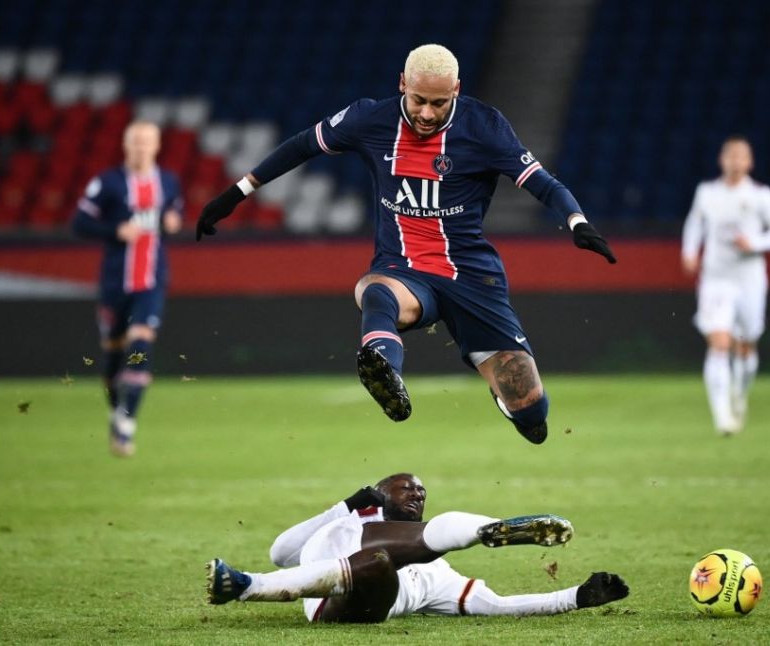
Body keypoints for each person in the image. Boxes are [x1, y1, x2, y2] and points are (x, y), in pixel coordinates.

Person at [195, 44, 616, 445]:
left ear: (456, 90)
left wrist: (577, 222)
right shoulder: (369, 119)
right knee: (374, 291)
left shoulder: (485, 127)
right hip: (405, 269)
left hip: (471, 276)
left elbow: (542, 182)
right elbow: (303, 145)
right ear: (402, 84)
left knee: (532, 415)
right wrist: (235, 194)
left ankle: (509, 399)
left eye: (439, 103)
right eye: (418, 100)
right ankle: (386, 376)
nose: (427, 113)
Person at [206, 473, 629, 622]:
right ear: (380, 491)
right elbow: (282, 551)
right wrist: (343, 506)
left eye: (423, 490)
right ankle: (483, 531)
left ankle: (488, 530)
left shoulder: (438, 573)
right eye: (405, 486)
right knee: (385, 554)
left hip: (355, 605)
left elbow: (497, 605)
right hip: (322, 586)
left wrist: (575, 596)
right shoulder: (350, 521)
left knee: (379, 562)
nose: (416, 493)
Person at [72, 120, 184, 456]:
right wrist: (114, 230)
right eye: (135, 142)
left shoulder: (168, 181)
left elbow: (175, 213)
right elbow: (79, 222)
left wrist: (172, 223)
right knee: (113, 356)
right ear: (126, 145)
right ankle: (115, 412)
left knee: (141, 342)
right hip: (115, 283)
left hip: (151, 282)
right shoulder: (107, 183)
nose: (141, 148)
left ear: (156, 145)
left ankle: (127, 426)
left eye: (147, 142)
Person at [681, 136, 770, 435]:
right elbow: (695, 223)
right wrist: (690, 251)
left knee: (746, 346)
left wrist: (754, 242)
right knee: (719, 343)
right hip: (716, 278)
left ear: (749, 162)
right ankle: (722, 417)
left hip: (750, 280)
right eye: (730, 155)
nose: (735, 160)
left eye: (741, 156)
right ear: (722, 160)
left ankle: (739, 395)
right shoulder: (707, 192)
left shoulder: (761, 195)